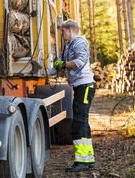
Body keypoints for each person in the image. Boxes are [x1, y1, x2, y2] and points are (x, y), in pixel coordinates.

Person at [48, 19, 96, 172]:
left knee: (78, 124)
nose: (61, 34)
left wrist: (63, 65)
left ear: (69, 30)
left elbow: (80, 61)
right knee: (83, 123)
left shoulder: (79, 43)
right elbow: (59, 64)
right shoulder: (68, 46)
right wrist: (48, 69)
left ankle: (81, 162)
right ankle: (88, 159)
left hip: (85, 85)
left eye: (62, 31)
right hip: (79, 86)